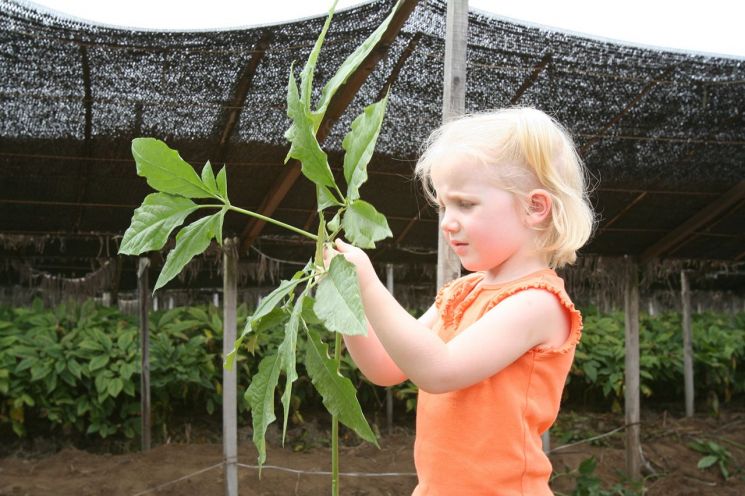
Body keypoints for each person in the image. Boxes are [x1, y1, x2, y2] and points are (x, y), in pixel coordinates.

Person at [327, 107, 596, 495]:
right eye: (443, 206)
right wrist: (346, 301)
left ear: (535, 207)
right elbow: (385, 368)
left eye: (465, 204)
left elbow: (440, 371)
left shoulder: (537, 302)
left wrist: (369, 286)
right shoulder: (462, 292)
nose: (447, 222)